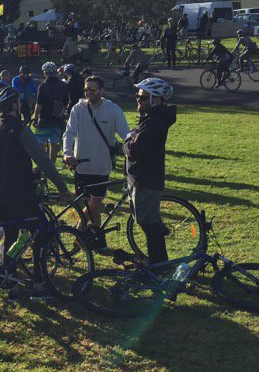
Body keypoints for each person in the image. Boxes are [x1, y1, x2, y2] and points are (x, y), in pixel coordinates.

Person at [0, 87, 73, 295]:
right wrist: (62, 188)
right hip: (21, 193)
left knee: (11, 236)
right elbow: (43, 161)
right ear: (14, 105)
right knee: (40, 234)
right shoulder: (21, 130)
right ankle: (39, 283)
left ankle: (10, 280)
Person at [62, 75, 130, 247]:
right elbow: (69, 133)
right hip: (81, 166)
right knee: (94, 208)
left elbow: (126, 135)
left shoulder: (113, 110)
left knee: (95, 203)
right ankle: (97, 240)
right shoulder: (78, 109)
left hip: (101, 167)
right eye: (86, 89)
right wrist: (67, 153)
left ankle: (78, 235)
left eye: (92, 89)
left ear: (102, 91)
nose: (88, 93)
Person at [125, 78, 176, 265]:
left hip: (146, 179)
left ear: (157, 100)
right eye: (138, 97)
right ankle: (158, 261)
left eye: (143, 98)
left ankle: (158, 264)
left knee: (148, 223)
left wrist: (127, 140)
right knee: (147, 222)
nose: (138, 101)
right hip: (141, 177)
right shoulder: (150, 119)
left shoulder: (154, 123)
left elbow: (133, 149)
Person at [33, 61, 70, 161]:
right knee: (54, 143)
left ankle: (43, 164)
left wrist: (35, 118)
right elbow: (65, 102)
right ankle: (52, 164)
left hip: (45, 118)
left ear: (45, 72)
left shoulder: (43, 86)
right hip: (58, 118)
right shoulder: (63, 85)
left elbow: (39, 104)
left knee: (40, 142)